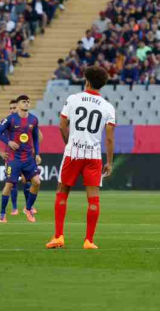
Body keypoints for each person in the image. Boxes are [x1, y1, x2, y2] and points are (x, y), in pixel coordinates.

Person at [46, 65, 116, 250]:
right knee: (93, 199)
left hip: (73, 153)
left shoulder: (73, 99)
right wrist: (109, 162)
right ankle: (89, 241)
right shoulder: (108, 107)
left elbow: (62, 125)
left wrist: (69, 144)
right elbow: (109, 138)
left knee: (62, 191)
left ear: (86, 80)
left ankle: (59, 237)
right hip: (94, 155)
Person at [0, 94, 42, 223]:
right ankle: (2, 213)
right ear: (19, 104)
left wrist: (37, 153)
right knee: (9, 185)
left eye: (28, 101)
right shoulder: (10, 119)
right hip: (13, 158)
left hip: (28, 158)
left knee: (36, 182)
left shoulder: (34, 120)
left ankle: (28, 208)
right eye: (24, 102)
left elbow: (36, 138)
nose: (26, 103)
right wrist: (8, 142)